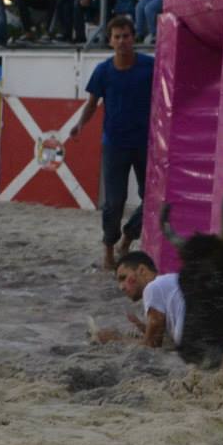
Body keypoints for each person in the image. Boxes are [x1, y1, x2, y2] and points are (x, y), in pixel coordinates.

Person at [69, 15, 153, 269]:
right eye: (117, 37)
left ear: (133, 37)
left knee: (152, 197)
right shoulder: (103, 70)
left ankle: (128, 236)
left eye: (126, 36)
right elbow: (92, 103)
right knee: (113, 202)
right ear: (110, 41)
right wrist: (80, 124)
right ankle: (108, 249)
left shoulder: (150, 66)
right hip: (114, 143)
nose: (122, 41)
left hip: (145, 143)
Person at [98, 251, 183, 348]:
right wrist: (144, 328)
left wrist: (115, 339)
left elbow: (152, 345)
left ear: (142, 270)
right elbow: (162, 337)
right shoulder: (167, 284)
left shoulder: (152, 287)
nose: (121, 287)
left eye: (123, 278)